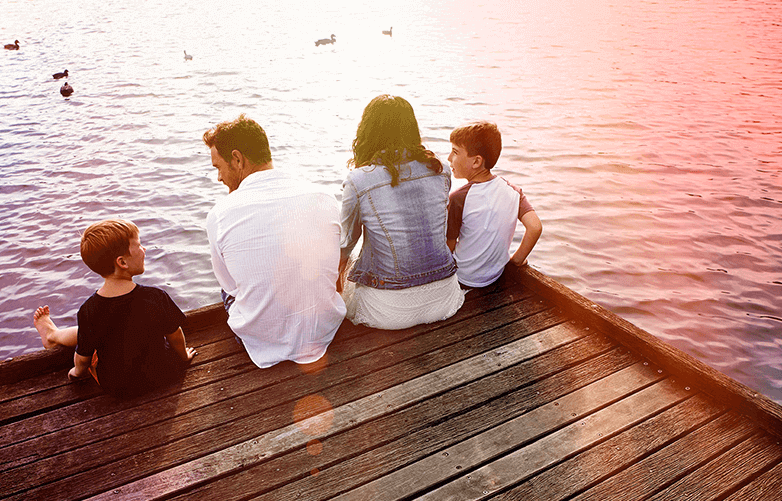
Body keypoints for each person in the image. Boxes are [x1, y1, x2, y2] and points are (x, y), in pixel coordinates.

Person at [203, 114, 345, 368]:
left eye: (218, 167)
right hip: (323, 332)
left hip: (261, 343)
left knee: (226, 287)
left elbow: (231, 287)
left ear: (237, 159)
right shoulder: (324, 196)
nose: (219, 178)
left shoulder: (220, 214)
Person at [339, 94, 465, 329]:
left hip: (389, 312)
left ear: (367, 132)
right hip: (445, 299)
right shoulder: (441, 170)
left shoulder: (359, 180)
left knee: (351, 261)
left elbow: (344, 246)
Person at [32, 219, 196, 398]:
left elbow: (83, 358)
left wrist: (76, 372)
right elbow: (176, 336)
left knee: (89, 333)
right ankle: (52, 336)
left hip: (117, 388)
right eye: (139, 245)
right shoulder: (156, 297)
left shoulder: (89, 310)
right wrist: (183, 357)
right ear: (122, 262)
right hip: (164, 376)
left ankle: (52, 336)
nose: (144, 250)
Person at [446, 121, 542, 288]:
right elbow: (535, 227)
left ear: (476, 162)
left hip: (463, 278)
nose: (449, 158)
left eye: (455, 152)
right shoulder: (513, 191)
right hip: (495, 276)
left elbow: (449, 246)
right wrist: (516, 261)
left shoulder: (458, 198)